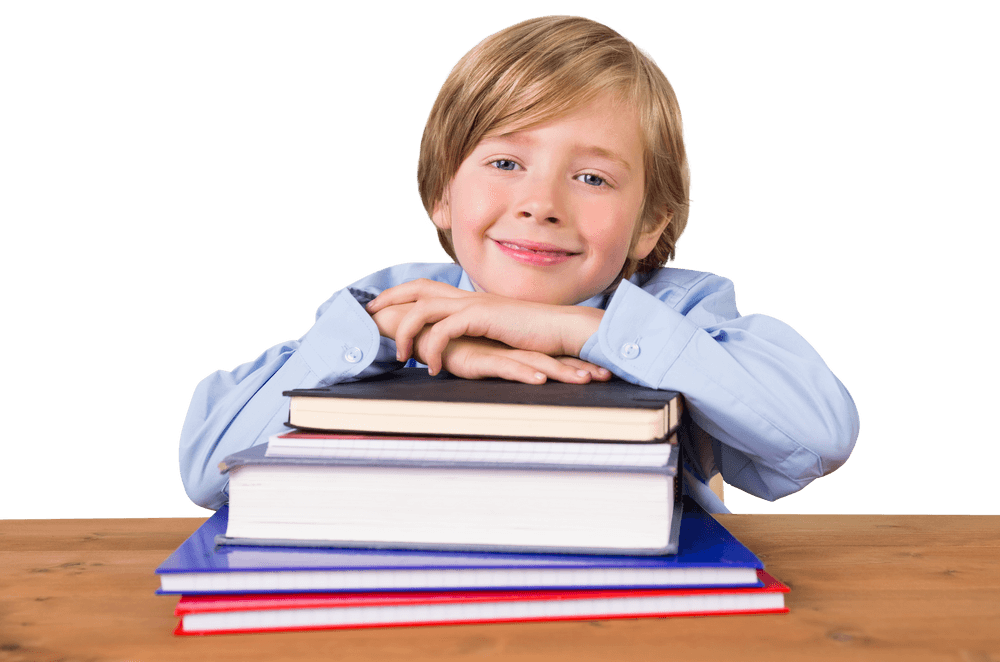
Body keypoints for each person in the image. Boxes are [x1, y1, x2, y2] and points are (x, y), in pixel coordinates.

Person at [178, 15, 859, 514]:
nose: (541, 204)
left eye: (592, 178)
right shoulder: (392, 304)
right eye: (506, 163)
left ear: (651, 224)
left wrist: (573, 330)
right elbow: (209, 471)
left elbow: (816, 439)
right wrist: (384, 337)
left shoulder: (679, 311)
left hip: (633, 619)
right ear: (443, 192)